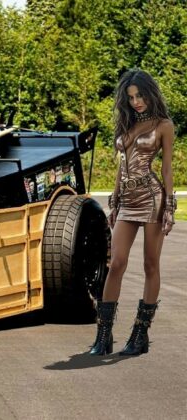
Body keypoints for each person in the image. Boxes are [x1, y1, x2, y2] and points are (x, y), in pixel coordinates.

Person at [90, 69, 176, 356]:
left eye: (140, 96)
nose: (136, 102)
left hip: (152, 198)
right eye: (130, 97)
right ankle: (103, 336)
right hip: (127, 200)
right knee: (116, 264)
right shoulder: (126, 124)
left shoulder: (164, 125)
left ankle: (140, 334)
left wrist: (169, 207)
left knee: (151, 265)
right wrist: (114, 201)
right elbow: (122, 166)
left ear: (150, 94)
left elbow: (166, 168)